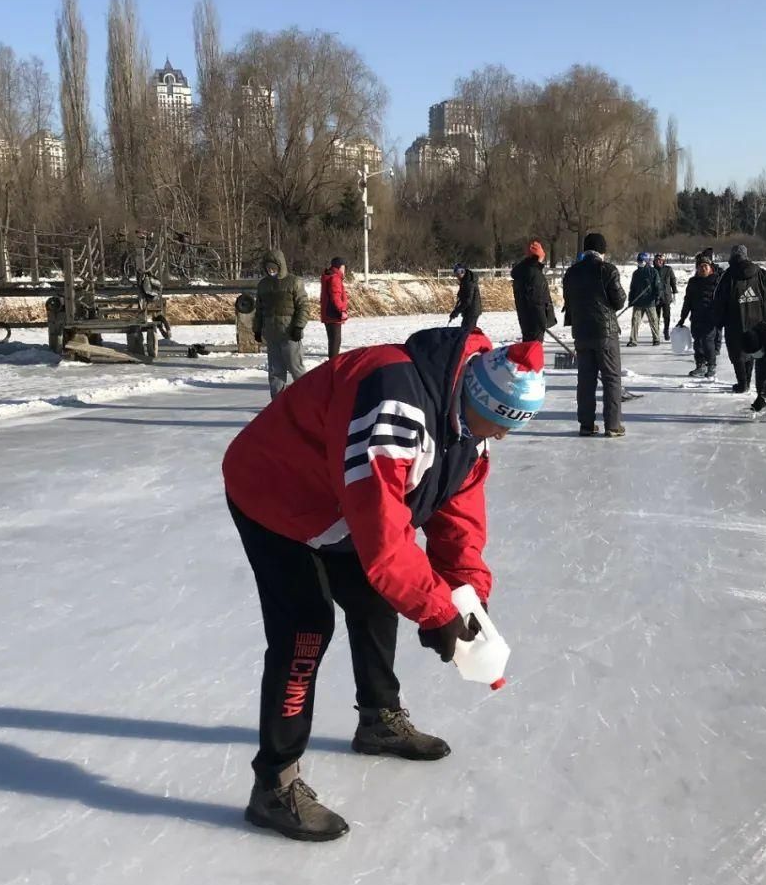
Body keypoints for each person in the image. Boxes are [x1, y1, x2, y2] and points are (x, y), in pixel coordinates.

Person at [223, 330, 546, 841]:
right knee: (306, 627)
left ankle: (378, 719)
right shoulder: (393, 406)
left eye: (512, 426)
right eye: (500, 422)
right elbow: (383, 536)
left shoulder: (470, 424)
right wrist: (436, 612)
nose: (502, 436)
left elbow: (457, 520)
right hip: (277, 493)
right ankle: (274, 785)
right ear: (476, 397)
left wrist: (466, 594)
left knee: (374, 600)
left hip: (341, 498)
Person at [562, 231, 627, 437]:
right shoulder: (607, 270)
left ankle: (587, 424)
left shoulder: (571, 273)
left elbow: (569, 302)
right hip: (605, 333)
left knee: (586, 379)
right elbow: (618, 300)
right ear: (602, 251)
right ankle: (613, 424)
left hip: (581, 332)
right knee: (611, 378)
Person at [712, 244, 766, 393]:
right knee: (754, 350)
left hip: (735, 321)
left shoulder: (727, 276)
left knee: (737, 352)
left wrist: (718, 320)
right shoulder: (761, 273)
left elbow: (718, 299)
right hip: (759, 320)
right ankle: (751, 381)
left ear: (732, 256)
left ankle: (742, 383)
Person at [254, 248, 309, 397]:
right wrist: (257, 329)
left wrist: (298, 326)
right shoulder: (263, 285)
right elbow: (259, 309)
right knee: (275, 372)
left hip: (289, 334)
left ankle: (308, 400)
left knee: (296, 368)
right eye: (268, 268)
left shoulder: (294, 282)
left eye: (274, 267)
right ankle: (277, 404)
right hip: (272, 335)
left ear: (280, 266)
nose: (271, 270)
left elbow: (303, 306)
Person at [677, 253, 720, 379]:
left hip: (711, 318)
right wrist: (682, 317)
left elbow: (724, 300)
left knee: (707, 342)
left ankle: (711, 365)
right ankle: (700, 365)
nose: (703, 268)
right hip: (696, 317)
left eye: (706, 266)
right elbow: (687, 301)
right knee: (697, 343)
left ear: (710, 267)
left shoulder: (717, 280)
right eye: (701, 266)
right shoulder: (693, 282)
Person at [511, 240, 557, 343]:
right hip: (535, 323)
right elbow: (536, 302)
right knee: (534, 351)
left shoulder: (524, 272)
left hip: (526, 319)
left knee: (529, 349)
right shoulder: (534, 274)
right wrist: (543, 323)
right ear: (538, 256)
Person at [627, 251, 663, 346]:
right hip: (638, 302)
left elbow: (658, 286)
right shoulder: (636, 273)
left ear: (646, 261)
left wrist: (657, 297)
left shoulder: (653, 272)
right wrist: (630, 300)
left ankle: (656, 339)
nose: (640, 263)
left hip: (649, 301)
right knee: (635, 321)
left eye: (642, 261)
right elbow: (632, 288)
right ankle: (633, 340)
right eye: (639, 261)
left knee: (654, 321)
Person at [320, 256, 349, 359]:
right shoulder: (335, 278)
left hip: (329, 313)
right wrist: (342, 310)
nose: (344, 270)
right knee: (335, 342)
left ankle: (332, 365)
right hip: (333, 314)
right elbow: (335, 296)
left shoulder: (330, 275)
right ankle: (333, 367)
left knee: (333, 341)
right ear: (340, 267)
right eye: (343, 267)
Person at [653, 253, 679, 342]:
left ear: (663, 261)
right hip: (656, 297)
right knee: (656, 316)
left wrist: (675, 292)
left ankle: (666, 330)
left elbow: (673, 281)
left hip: (666, 296)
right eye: (657, 260)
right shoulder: (652, 270)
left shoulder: (668, 269)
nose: (659, 262)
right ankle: (656, 333)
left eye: (661, 260)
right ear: (655, 261)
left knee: (666, 315)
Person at [449, 264, 482, 332]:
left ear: (462, 272)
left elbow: (467, 301)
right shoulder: (465, 280)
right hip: (468, 311)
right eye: (456, 274)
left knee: (466, 332)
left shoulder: (468, 282)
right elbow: (462, 297)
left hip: (472, 311)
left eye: (458, 274)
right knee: (465, 330)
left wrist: (456, 311)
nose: (457, 276)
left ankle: (472, 342)